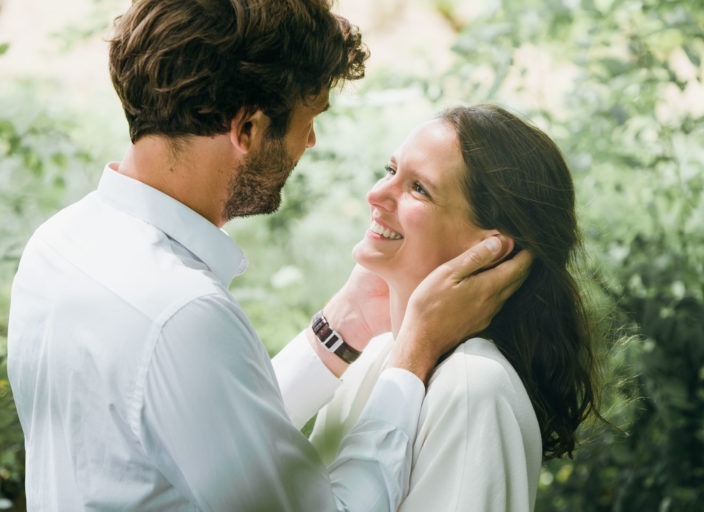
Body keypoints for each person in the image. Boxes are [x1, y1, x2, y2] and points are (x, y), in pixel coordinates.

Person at [6, 1, 532, 511]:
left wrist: (341, 327)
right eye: (309, 118)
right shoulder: (182, 312)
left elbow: (208, 439)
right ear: (249, 129)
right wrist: (415, 354)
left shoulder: (60, 244)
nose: (310, 141)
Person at [306, 105, 601, 512]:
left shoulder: (472, 386)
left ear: (488, 249)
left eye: (418, 188)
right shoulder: (374, 359)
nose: (376, 194)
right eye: (390, 170)